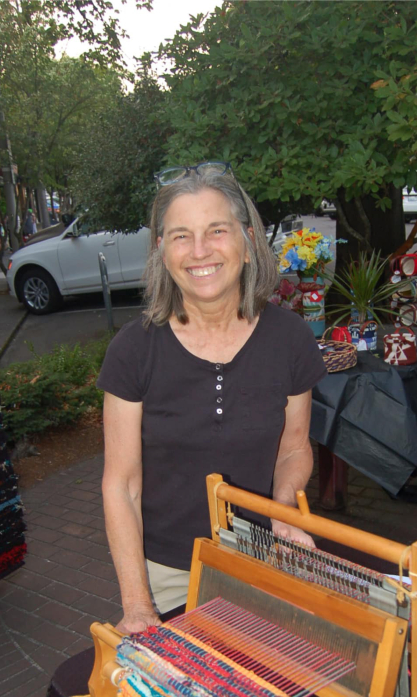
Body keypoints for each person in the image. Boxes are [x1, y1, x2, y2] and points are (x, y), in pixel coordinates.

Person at [97, 162, 326, 635]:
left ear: (246, 241)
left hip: (263, 562)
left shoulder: (290, 338)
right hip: (168, 578)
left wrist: (283, 506)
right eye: (181, 236)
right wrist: (138, 603)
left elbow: (295, 448)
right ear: (162, 251)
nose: (199, 251)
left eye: (216, 231)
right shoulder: (133, 350)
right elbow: (122, 485)